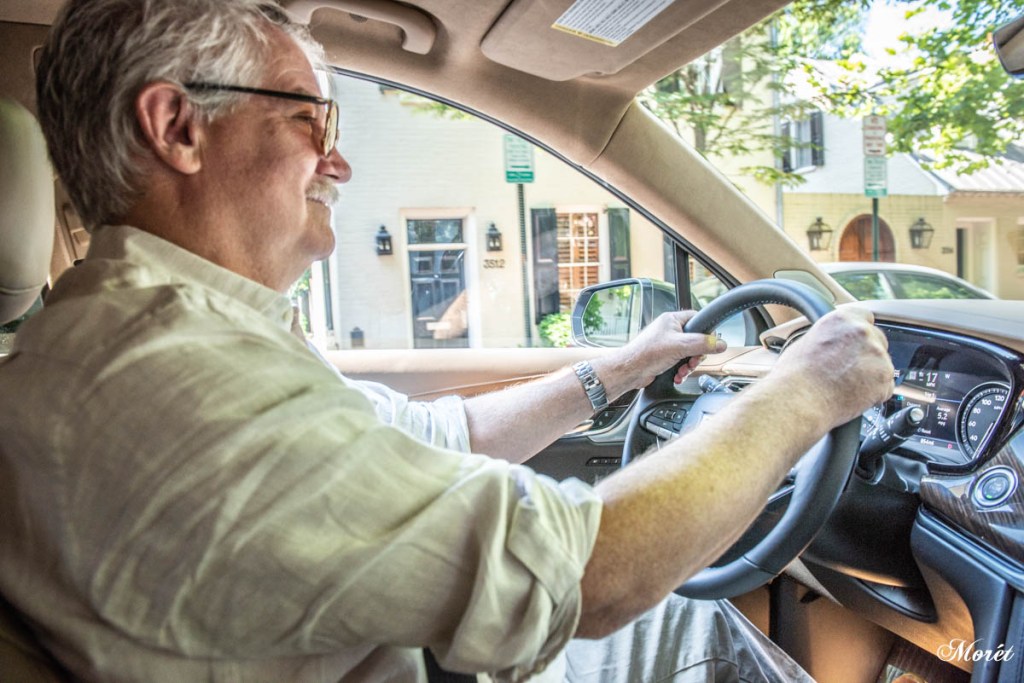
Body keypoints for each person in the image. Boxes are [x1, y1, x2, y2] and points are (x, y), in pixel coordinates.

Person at [0, 0, 895, 681]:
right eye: (310, 120)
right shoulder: (180, 387)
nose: (338, 161)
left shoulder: (146, 343)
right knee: (675, 624)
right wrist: (807, 389)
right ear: (178, 128)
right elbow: (597, 573)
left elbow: (439, 437)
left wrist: (617, 369)